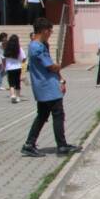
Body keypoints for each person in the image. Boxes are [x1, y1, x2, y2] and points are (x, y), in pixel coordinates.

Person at [21, 18, 80, 158]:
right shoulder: (37, 47)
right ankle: (61, 146)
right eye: (49, 30)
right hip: (47, 87)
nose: (51, 33)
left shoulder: (39, 45)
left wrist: (60, 78)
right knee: (58, 115)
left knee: (42, 116)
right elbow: (50, 66)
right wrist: (59, 67)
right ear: (43, 30)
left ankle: (29, 144)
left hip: (46, 87)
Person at [3, 34, 24, 104]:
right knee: (18, 82)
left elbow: (4, 58)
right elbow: (23, 58)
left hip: (9, 68)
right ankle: (18, 97)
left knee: (11, 82)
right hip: (18, 67)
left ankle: (12, 95)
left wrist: (5, 66)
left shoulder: (7, 48)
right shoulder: (19, 48)